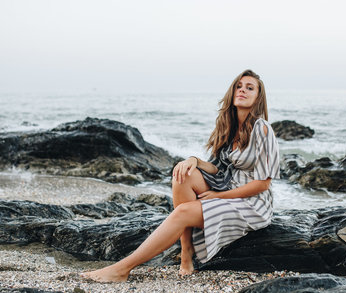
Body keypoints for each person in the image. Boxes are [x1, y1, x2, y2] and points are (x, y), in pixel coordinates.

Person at [81, 69, 280, 282]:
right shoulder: (228, 126)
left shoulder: (263, 129)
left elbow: (263, 185)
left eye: (250, 88)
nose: (242, 90)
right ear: (232, 92)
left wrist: (218, 196)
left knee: (183, 211)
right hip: (227, 185)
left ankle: (122, 269)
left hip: (252, 203)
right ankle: (186, 253)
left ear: (258, 97)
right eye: (239, 86)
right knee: (182, 174)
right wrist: (193, 160)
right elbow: (217, 169)